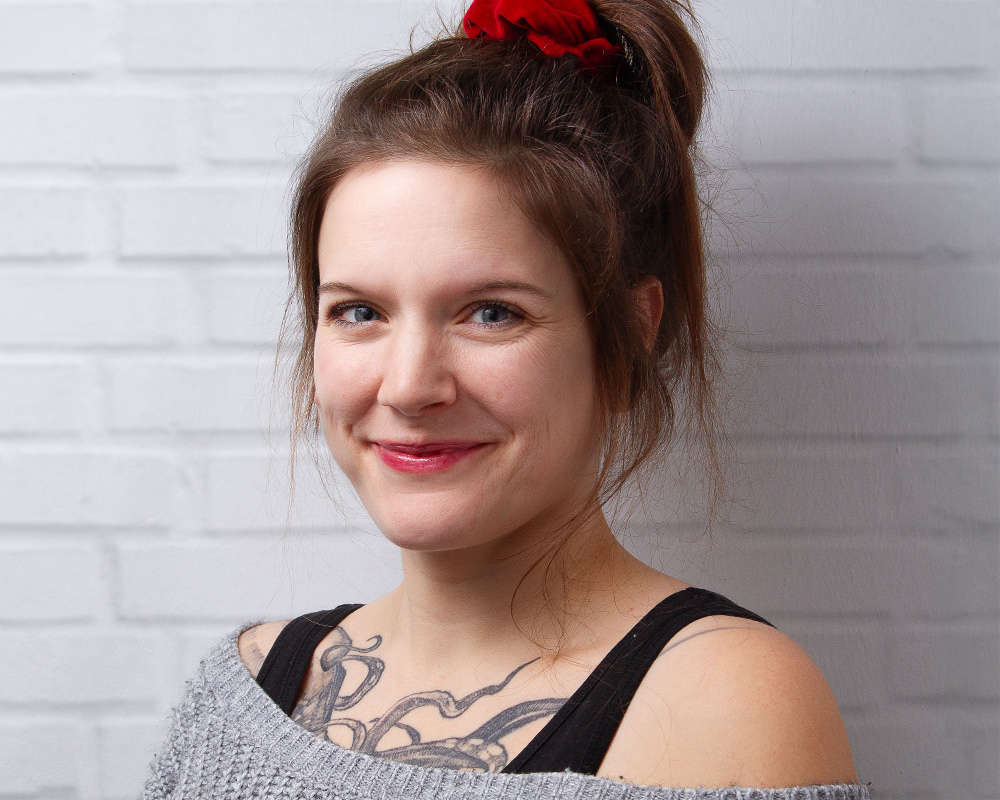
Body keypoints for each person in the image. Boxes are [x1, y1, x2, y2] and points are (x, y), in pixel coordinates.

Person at [141, 0, 868, 797]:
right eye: (360, 312)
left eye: (491, 313)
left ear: (628, 337)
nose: (408, 387)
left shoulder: (726, 705)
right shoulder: (241, 694)